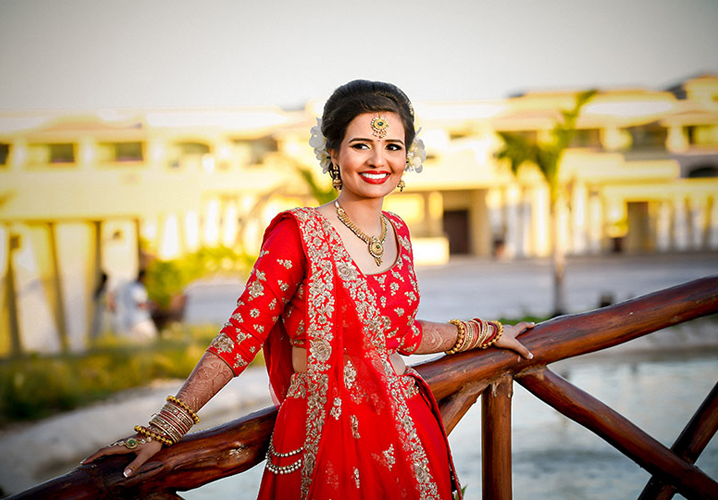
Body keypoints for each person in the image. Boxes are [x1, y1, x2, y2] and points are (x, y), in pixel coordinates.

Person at [83, 80, 534, 499]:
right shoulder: (297, 233)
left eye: (392, 146)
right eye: (362, 146)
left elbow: (399, 336)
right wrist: (164, 428)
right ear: (334, 153)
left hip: (408, 428)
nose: (379, 160)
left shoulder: (399, 230)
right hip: (326, 436)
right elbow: (241, 337)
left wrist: (487, 332)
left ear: (406, 157)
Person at [113, 270, 158, 342]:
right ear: (143, 277)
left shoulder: (128, 286)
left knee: (138, 343)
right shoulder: (138, 288)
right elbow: (140, 304)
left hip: (129, 321)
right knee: (152, 340)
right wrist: (152, 305)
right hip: (140, 321)